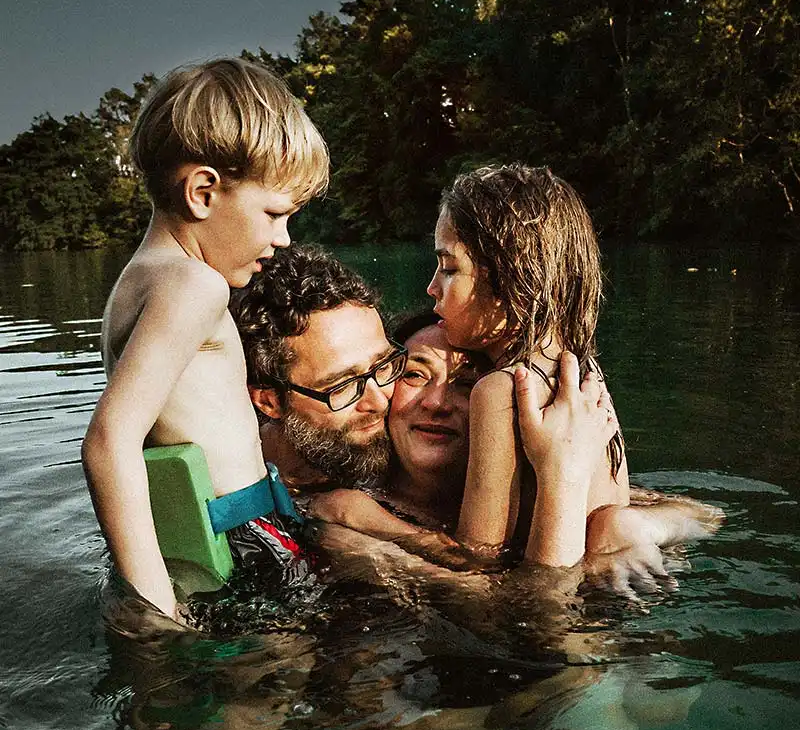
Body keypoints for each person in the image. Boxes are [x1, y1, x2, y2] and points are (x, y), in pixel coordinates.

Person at [81, 57, 329, 621]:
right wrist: (155, 612)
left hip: (204, 546)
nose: (284, 238)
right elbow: (109, 440)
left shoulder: (135, 282)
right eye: (274, 213)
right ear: (202, 192)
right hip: (243, 544)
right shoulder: (194, 285)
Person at [232, 246, 618, 573]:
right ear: (268, 400)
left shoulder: (373, 472)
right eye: (344, 385)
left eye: (384, 368)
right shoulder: (250, 480)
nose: (379, 401)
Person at [426, 162, 712, 562]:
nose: (432, 287)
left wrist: (372, 531)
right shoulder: (585, 374)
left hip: (556, 604)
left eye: (449, 268)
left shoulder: (503, 391)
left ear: (513, 283)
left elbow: (477, 559)